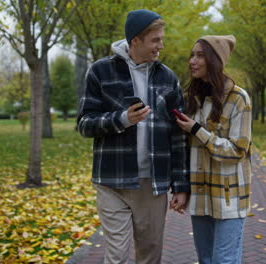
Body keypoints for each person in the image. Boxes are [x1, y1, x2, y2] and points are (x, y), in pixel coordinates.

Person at [77, 9, 190, 264]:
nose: (161, 45)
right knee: (116, 256)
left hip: (152, 183)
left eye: (161, 39)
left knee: (150, 256)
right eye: (155, 40)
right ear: (135, 41)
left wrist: (181, 185)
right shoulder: (100, 71)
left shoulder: (167, 77)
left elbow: (178, 136)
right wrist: (123, 119)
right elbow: (85, 124)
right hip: (112, 180)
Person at [175, 35, 252, 264]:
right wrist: (181, 187)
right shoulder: (192, 99)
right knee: (206, 259)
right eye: (192, 55)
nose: (192, 61)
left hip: (229, 197)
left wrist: (197, 130)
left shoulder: (239, 99)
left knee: (223, 260)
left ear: (214, 60)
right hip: (200, 196)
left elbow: (238, 150)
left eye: (200, 55)